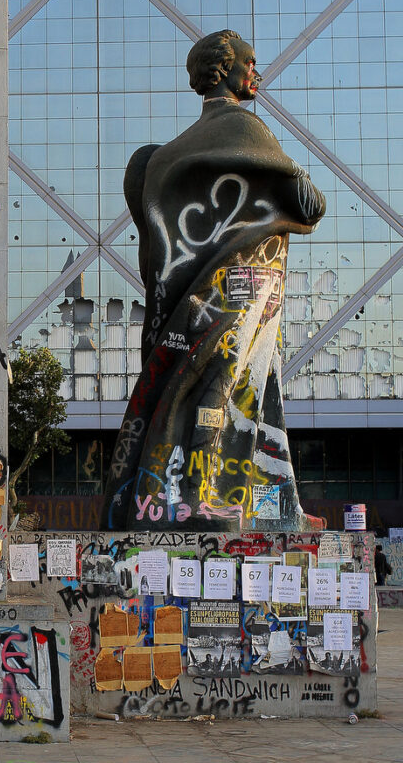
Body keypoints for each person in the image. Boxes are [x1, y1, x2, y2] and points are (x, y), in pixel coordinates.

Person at [101, 30, 327, 532]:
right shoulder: (245, 131)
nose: (257, 73)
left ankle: (273, 505)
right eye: (251, 62)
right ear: (226, 71)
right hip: (239, 293)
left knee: (242, 393)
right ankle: (203, 498)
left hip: (184, 306)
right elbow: (311, 205)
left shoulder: (160, 158)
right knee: (227, 392)